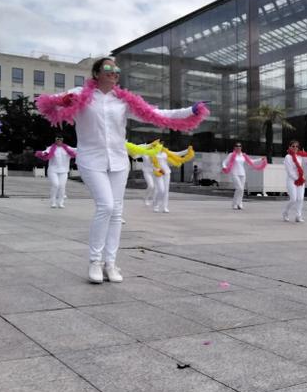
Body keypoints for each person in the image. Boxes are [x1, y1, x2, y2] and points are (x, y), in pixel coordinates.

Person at [36, 57, 208, 283]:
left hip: (118, 161)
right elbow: (47, 105)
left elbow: (158, 114)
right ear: (96, 73)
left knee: (117, 212)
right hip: (91, 159)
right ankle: (94, 262)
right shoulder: (79, 94)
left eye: (116, 69)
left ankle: (110, 263)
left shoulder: (123, 101)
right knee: (105, 206)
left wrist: (190, 110)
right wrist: (62, 101)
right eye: (108, 68)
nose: (114, 72)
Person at [149, 141, 194, 213]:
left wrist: (187, 150)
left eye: (162, 144)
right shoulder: (152, 153)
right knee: (161, 190)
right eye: (159, 144)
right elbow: (151, 164)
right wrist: (159, 170)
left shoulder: (166, 152)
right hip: (158, 173)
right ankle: (156, 205)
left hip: (167, 172)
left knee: (166, 191)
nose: (161, 145)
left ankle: (165, 207)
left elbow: (177, 154)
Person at [221, 142, 267, 210]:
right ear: (234, 148)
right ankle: (235, 203)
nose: (238, 147)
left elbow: (251, 161)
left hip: (242, 174)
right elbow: (224, 162)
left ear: (241, 148)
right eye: (237, 146)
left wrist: (260, 159)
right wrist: (224, 167)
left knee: (241, 190)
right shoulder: (231, 155)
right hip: (235, 173)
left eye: (239, 146)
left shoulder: (243, 155)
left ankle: (239, 203)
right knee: (239, 188)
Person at [35, 136, 76, 208]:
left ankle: (61, 203)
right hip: (53, 170)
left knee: (62, 186)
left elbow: (76, 150)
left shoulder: (67, 148)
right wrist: (43, 153)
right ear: (55, 140)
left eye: (60, 139)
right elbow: (46, 152)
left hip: (64, 171)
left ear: (62, 140)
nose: (59, 141)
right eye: (57, 139)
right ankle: (53, 202)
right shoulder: (51, 148)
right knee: (56, 185)